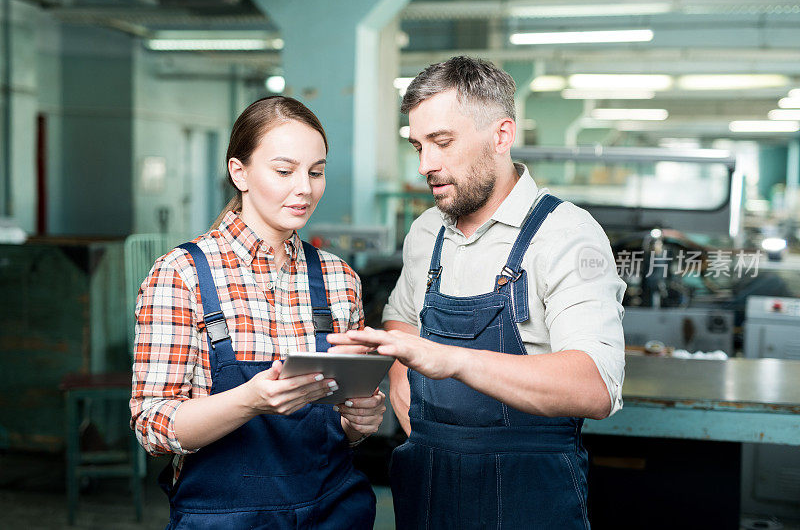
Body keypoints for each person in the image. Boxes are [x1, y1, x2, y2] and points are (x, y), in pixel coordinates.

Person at [328, 56, 626, 529]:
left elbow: (596, 385)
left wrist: (453, 360)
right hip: (427, 484)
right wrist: (420, 426)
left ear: (501, 136)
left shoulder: (567, 235)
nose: (426, 165)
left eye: (442, 142)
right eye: (418, 146)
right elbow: (402, 322)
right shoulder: (428, 232)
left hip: (528, 493)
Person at [130, 96, 384, 529]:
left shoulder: (340, 279)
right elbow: (153, 426)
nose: (304, 187)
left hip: (334, 509)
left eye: (316, 171)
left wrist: (360, 422)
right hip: (226, 516)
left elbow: (343, 420)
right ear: (239, 173)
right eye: (284, 171)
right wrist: (250, 401)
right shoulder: (183, 275)